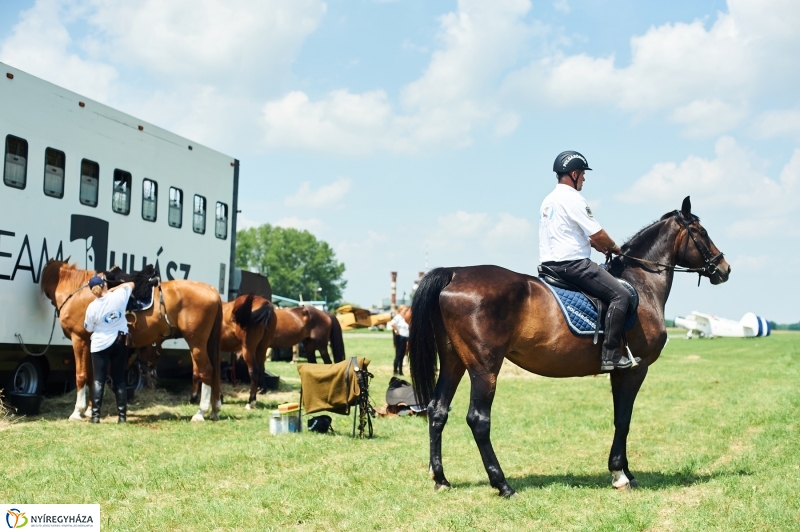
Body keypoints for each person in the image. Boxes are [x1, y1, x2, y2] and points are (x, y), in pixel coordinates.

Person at [539, 150, 639, 372]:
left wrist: (593, 244)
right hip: (574, 265)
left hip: (549, 266)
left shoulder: (549, 200)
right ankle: (611, 355)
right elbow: (598, 233)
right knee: (621, 295)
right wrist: (615, 248)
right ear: (574, 174)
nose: (584, 179)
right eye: (583, 174)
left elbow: (568, 233)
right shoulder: (573, 198)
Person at [84, 275, 134, 423]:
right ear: (104, 285)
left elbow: (88, 329)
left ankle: (95, 417)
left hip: (99, 345)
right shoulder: (118, 296)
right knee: (119, 380)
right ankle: (122, 417)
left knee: (98, 381)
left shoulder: (92, 307)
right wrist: (115, 288)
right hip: (119, 342)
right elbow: (131, 284)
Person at [390, 305, 410, 376]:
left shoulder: (404, 318)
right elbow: (392, 323)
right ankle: (395, 370)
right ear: (400, 310)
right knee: (398, 354)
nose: (406, 311)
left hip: (405, 337)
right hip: (400, 337)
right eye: (405, 310)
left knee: (402, 355)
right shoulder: (398, 317)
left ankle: (400, 371)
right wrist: (397, 330)